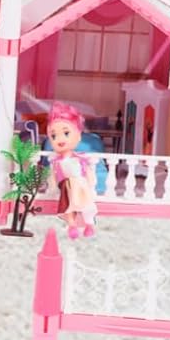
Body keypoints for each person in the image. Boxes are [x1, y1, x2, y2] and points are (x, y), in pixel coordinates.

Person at [46, 101, 98, 238]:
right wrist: (52, 185)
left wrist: (91, 181)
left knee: (86, 205)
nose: (60, 139)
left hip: (80, 184)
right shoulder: (56, 161)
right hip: (65, 186)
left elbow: (87, 170)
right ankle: (72, 225)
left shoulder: (80, 158)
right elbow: (53, 174)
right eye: (53, 136)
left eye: (66, 133)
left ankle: (89, 225)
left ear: (78, 136)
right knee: (68, 206)